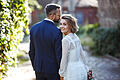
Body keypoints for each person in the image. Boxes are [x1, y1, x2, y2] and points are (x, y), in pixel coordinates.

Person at [29, 3, 62, 80]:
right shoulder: (57, 31)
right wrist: (61, 71)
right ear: (52, 15)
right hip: (53, 70)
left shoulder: (34, 28)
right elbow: (58, 54)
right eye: (58, 15)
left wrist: (35, 66)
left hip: (38, 69)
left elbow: (31, 51)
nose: (60, 17)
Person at [59, 14, 88, 80]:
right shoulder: (76, 36)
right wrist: (86, 68)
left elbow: (64, 59)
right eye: (60, 24)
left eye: (64, 24)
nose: (61, 26)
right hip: (81, 69)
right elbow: (82, 54)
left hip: (71, 71)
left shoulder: (66, 40)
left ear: (70, 26)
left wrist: (61, 74)